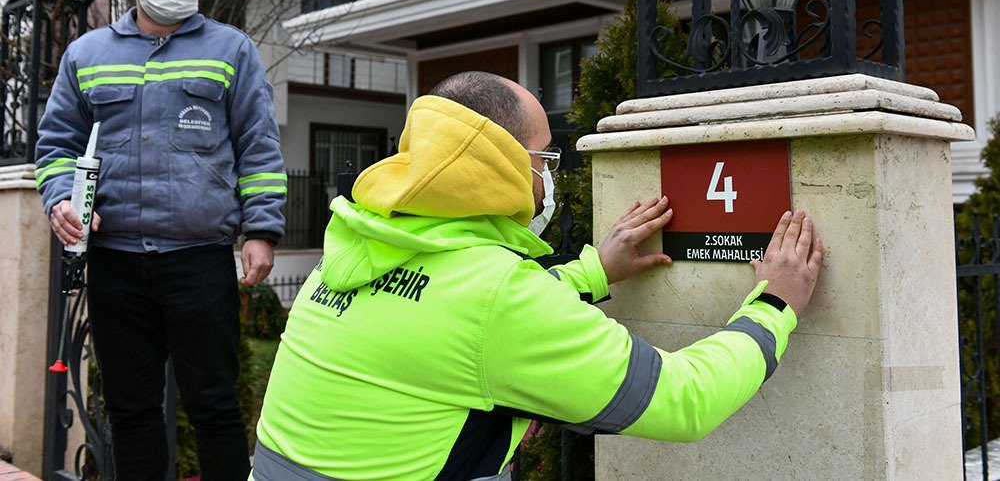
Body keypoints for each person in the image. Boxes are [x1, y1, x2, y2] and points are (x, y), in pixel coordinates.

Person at [252, 71, 822, 481]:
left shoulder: (357, 246)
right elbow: (682, 398)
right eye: (544, 159)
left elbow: (453, 315)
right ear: (501, 163)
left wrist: (597, 268)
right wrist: (774, 305)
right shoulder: (495, 296)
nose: (548, 178)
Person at [34, 0, 287, 481]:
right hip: (116, 262)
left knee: (216, 406)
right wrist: (59, 199)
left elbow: (259, 146)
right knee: (130, 409)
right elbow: (55, 144)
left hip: (198, 261)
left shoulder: (232, 49)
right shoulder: (87, 54)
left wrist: (262, 232)